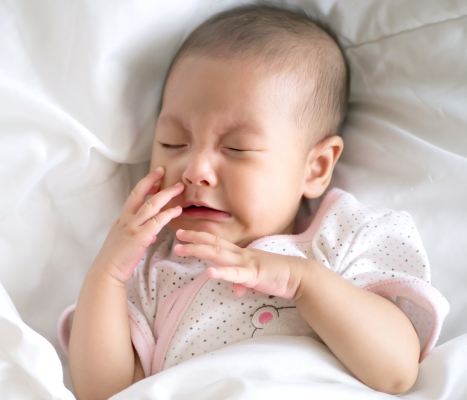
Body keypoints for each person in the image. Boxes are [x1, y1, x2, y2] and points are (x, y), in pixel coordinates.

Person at [58, 4, 449, 399]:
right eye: (172, 143)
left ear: (314, 168)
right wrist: (108, 273)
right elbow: (103, 392)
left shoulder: (342, 238)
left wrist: (302, 281)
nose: (195, 169)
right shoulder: (154, 268)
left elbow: (398, 371)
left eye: (236, 147)